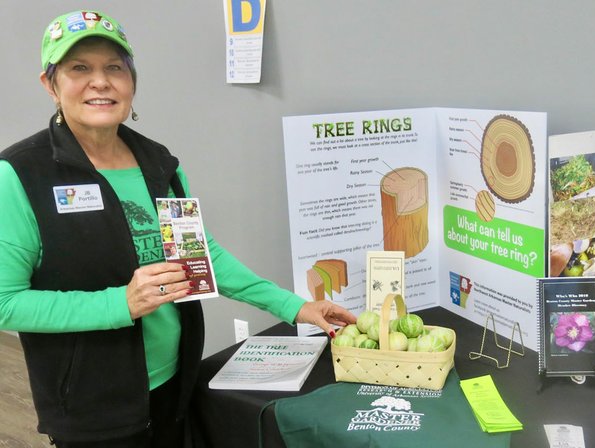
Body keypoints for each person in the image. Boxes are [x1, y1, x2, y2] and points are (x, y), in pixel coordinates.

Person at [0, 10, 355, 448]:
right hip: (92, 401)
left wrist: (297, 308)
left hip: (175, 378)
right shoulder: (19, 174)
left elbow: (198, 256)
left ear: (131, 80)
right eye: (79, 68)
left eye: (114, 67)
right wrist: (120, 304)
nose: (100, 81)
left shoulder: (158, 163)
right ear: (50, 84)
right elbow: (6, 302)